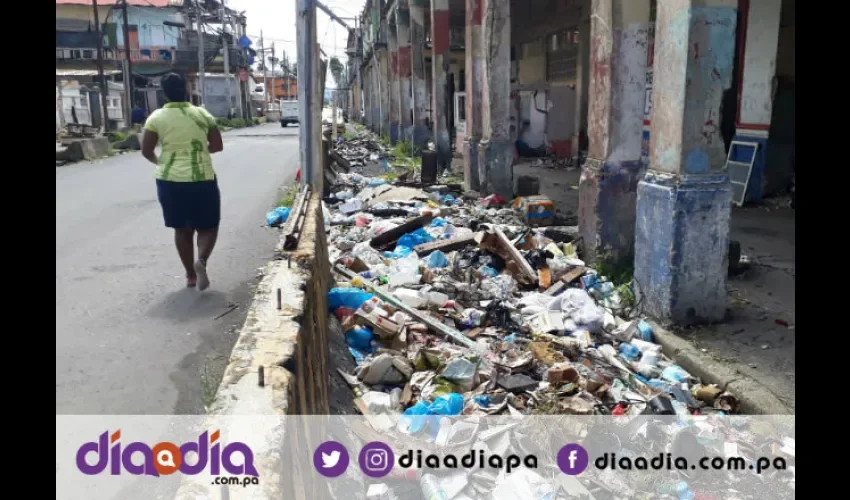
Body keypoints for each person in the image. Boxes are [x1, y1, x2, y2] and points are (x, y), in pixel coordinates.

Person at [141, 73, 224, 290]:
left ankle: (190, 276)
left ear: (164, 94)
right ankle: (202, 261)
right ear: (186, 89)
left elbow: (146, 150)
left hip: (170, 180)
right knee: (208, 226)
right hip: (202, 178)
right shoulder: (202, 114)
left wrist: (161, 162)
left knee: (182, 229)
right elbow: (217, 146)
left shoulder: (156, 118)